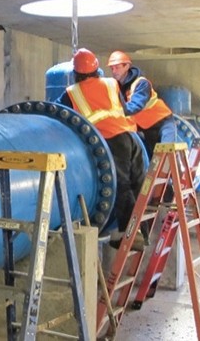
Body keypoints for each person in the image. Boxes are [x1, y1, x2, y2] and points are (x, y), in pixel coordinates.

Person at [54, 49, 146, 250]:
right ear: (96, 68)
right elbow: (124, 108)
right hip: (131, 137)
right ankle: (145, 229)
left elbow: (56, 111)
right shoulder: (112, 83)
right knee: (139, 183)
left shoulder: (72, 92)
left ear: (76, 73)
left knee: (121, 185)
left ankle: (130, 234)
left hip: (109, 139)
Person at [107, 50, 176, 157]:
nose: (114, 71)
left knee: (165, 155)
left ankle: (173, 172)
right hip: (146, 128)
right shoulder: (118, 88)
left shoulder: (141, 83)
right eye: (112, 68)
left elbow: (135, 106)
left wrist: (113, 114)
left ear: (127, 66)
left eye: (117, 67)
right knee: (153, 160)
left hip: (163, 123)